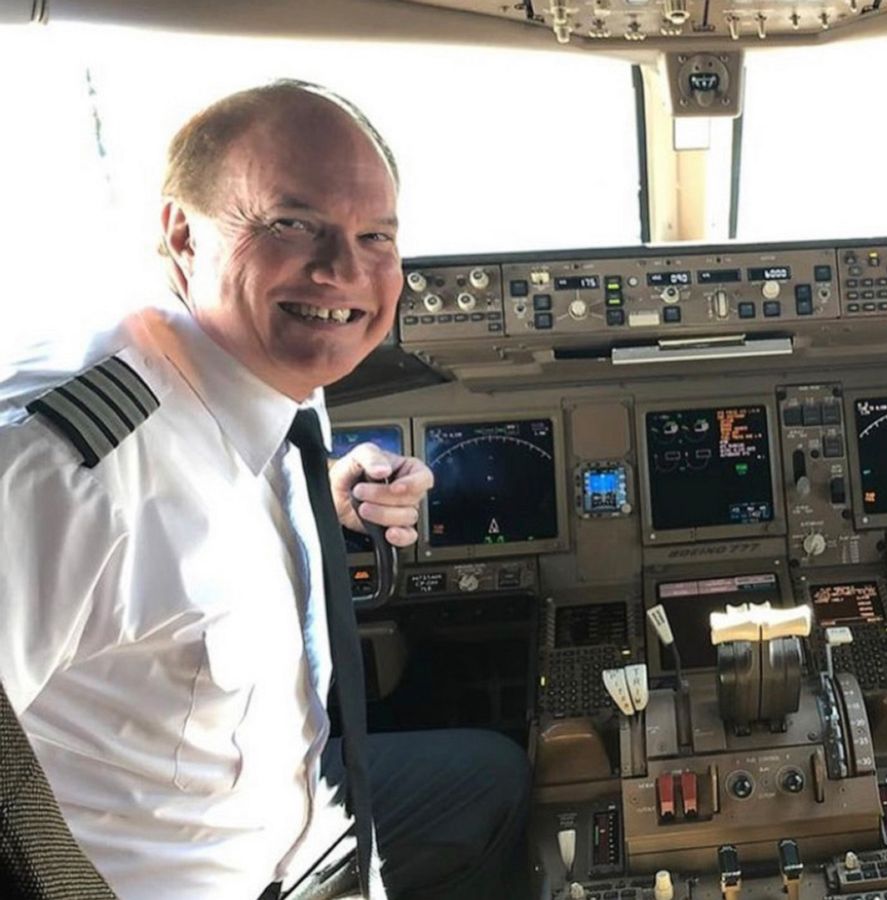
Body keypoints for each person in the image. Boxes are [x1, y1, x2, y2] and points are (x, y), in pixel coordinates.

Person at [0, 81, 531, 899]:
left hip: (309, 821)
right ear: (182, 233)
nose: (342, 271)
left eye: (375, 236)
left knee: (490, 778)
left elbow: (200, 522)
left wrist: (326, 501)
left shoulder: (258, 368)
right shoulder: (62, 471)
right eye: (293, 224)